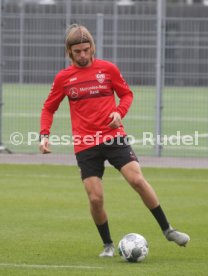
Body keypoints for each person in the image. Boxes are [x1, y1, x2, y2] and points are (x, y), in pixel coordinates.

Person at [39, 24, 190, 257]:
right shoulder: (64, 78)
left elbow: (127, 94)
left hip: (113, 137)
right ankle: (108, 245)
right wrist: (44, 135)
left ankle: (168, 229)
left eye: (86, 50)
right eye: (77, 51)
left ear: (92, 48)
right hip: (86, 144)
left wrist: (120, 112)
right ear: (69, 51)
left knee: (137, 180)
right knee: (96, 198)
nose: (82, 55)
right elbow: (48, 108)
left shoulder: (108, 70)